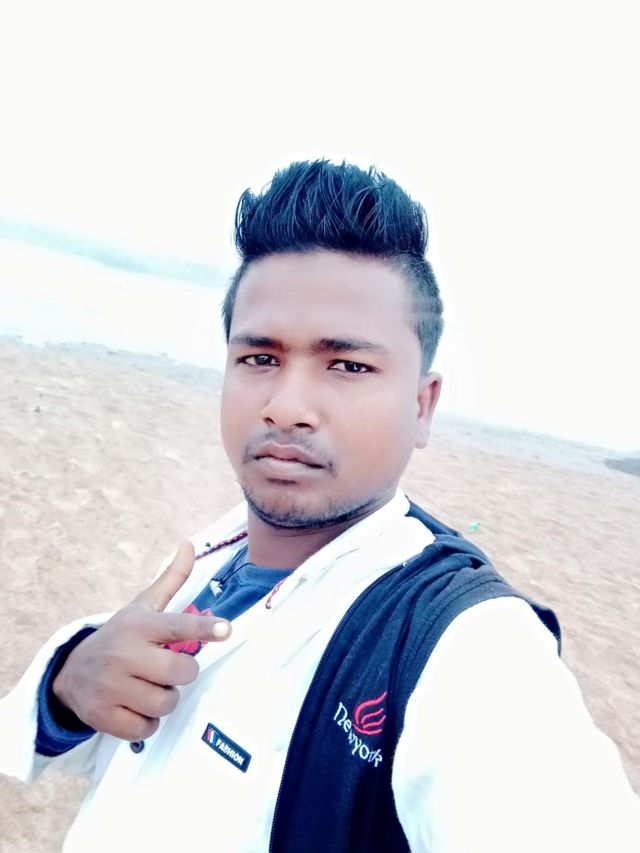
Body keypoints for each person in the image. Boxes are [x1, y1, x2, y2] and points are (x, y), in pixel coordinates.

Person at [1, 160, 639, 852]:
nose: (286, 406)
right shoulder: (206, 558)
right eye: (259, 358)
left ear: (422, 407)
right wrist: (69, 686)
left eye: (349, 365)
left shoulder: (464, 648)